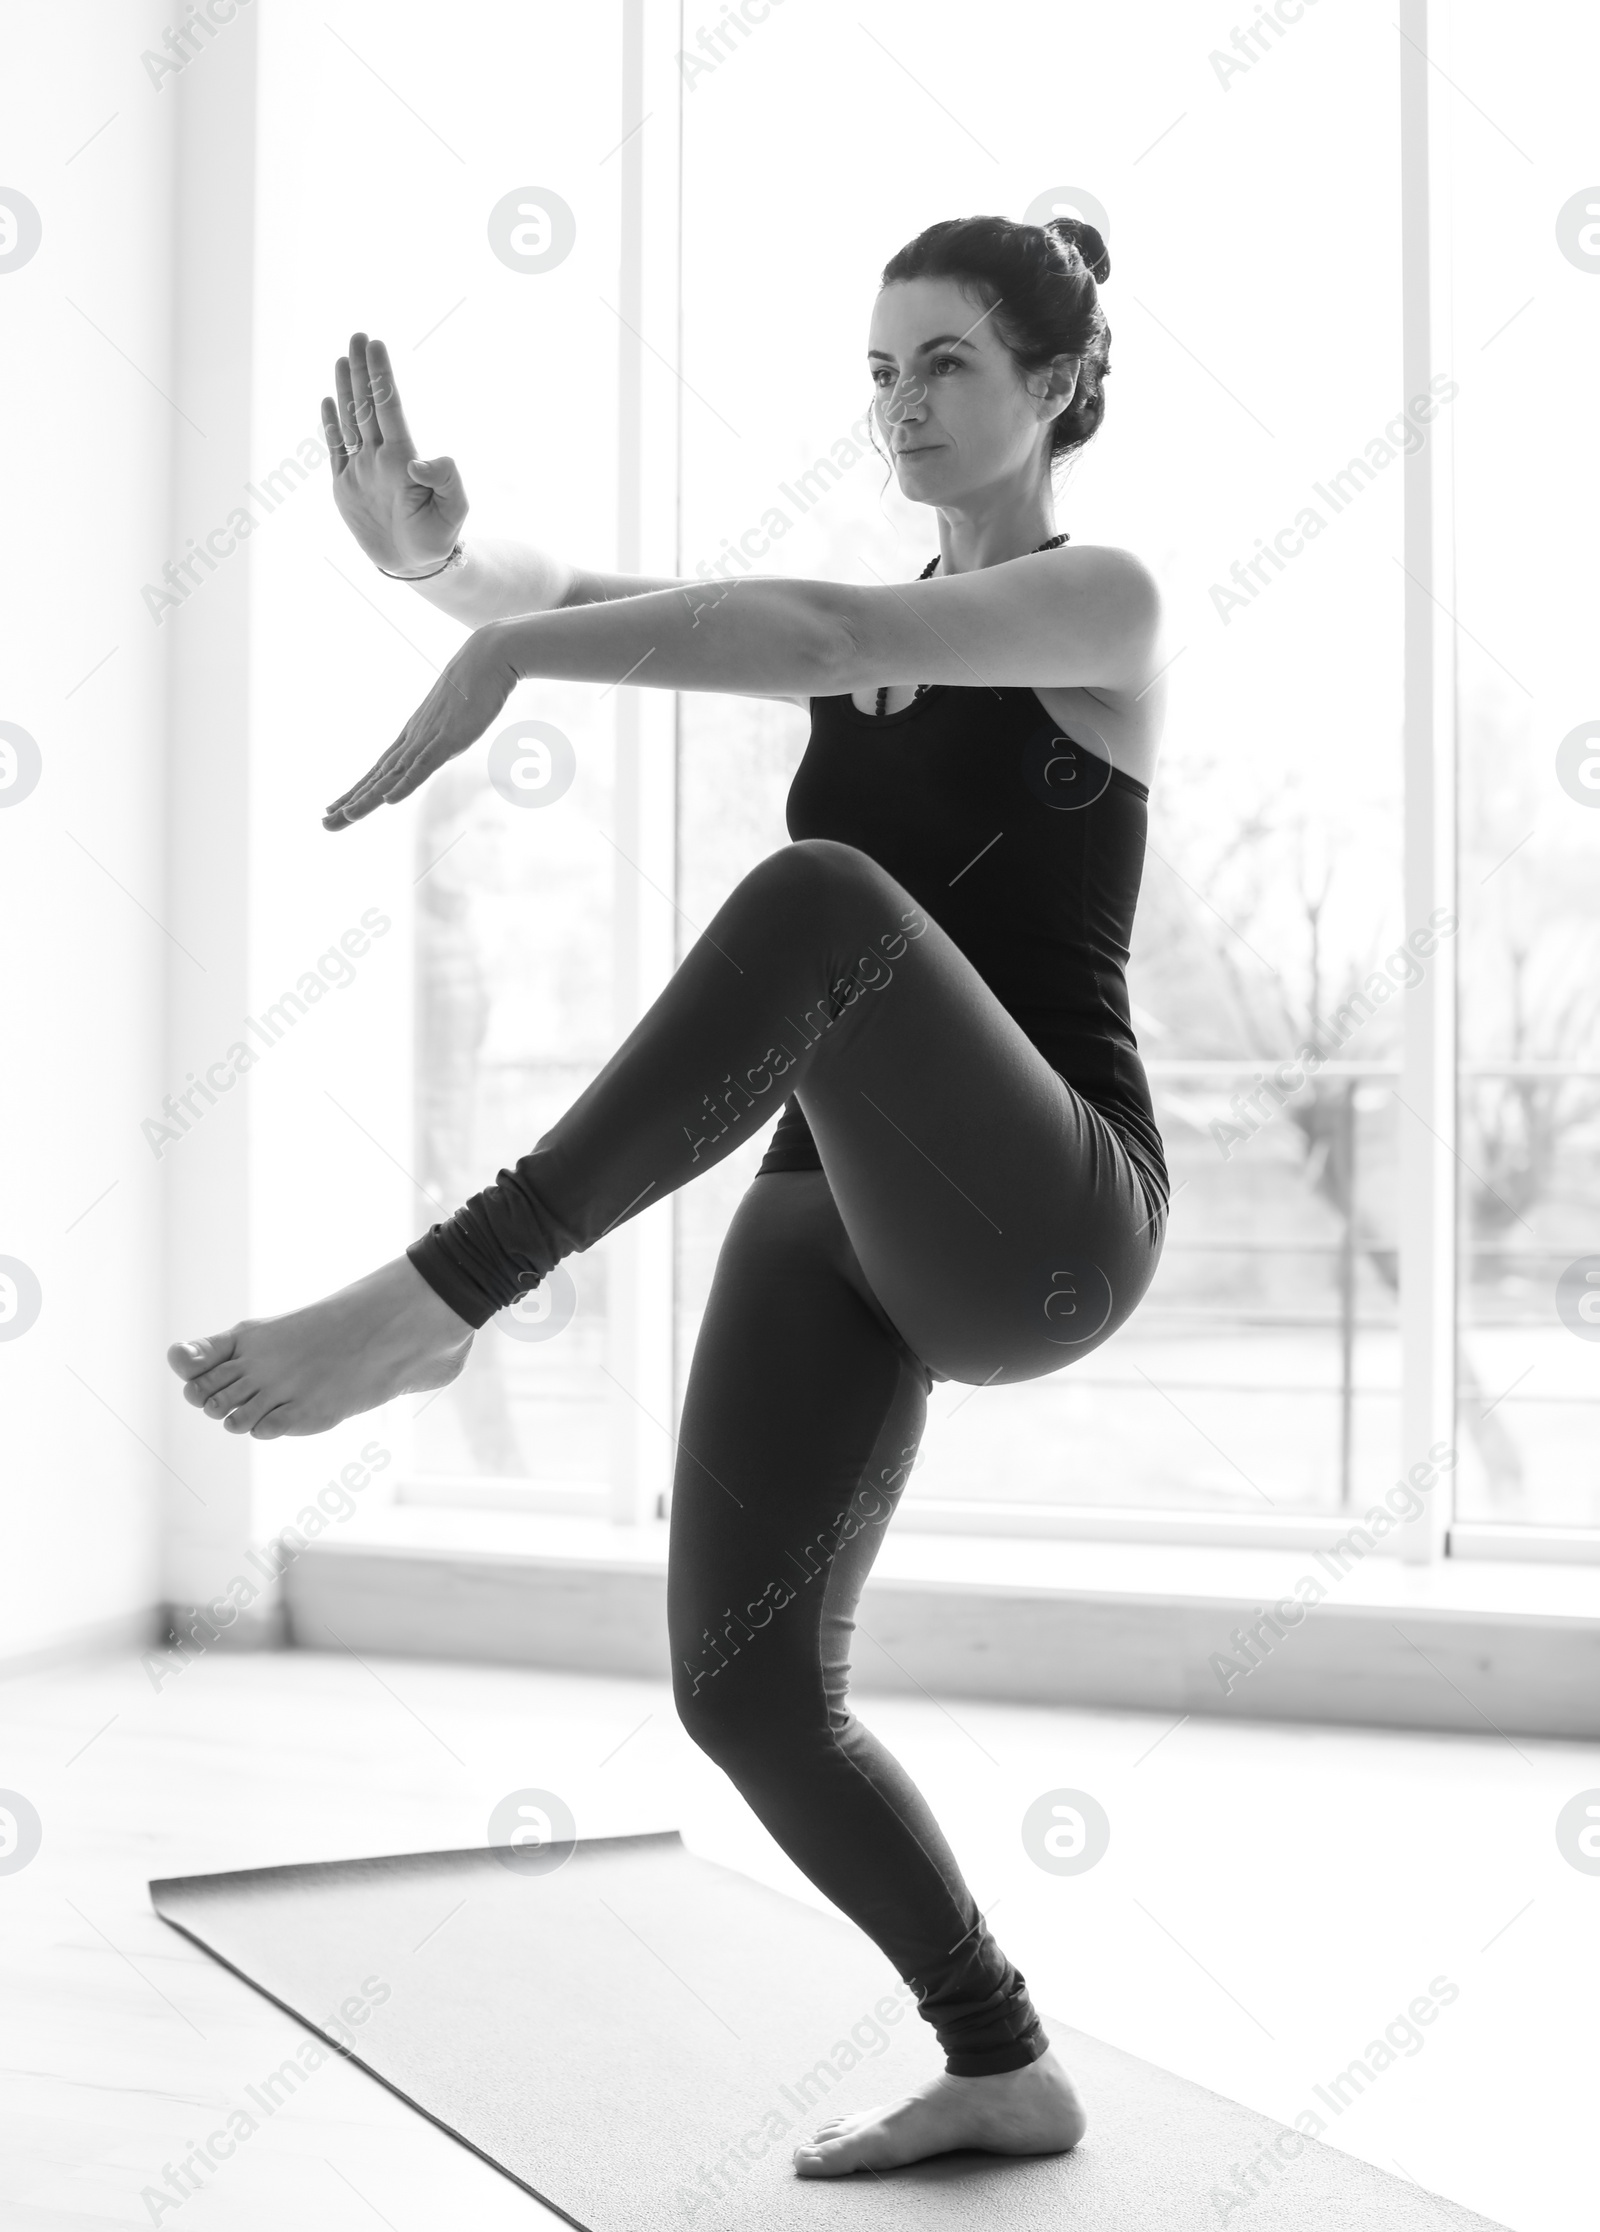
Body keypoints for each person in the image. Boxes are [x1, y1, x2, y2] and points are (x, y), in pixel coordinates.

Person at [167, 213, 1170, 2179]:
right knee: (746, 1697)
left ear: (1055, 385)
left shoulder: (1097, 605)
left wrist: (512, 647)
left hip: (1050, 1218)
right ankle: (997, 2057)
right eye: (877, 370)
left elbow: (819, 634)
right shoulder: (864, 639)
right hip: (848, 1204)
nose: (898, 405)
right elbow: (640, 597)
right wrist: (443, 570)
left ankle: (442, 1291)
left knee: (820, 905)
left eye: (946, 363)